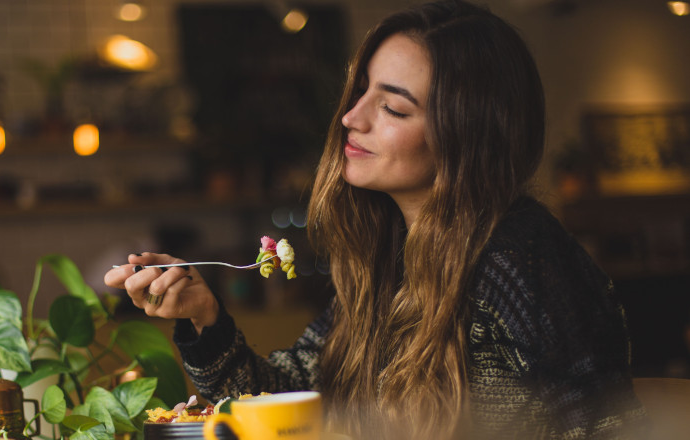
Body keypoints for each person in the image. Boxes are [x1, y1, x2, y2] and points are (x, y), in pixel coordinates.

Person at [105, 0, 649, 438]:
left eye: (393, 107)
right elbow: (287, 395)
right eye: (362, 89)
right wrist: (204, 316)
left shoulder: (519, 261)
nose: (350, 116)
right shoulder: (391, 256)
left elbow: (602, 427)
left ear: (468, 137)